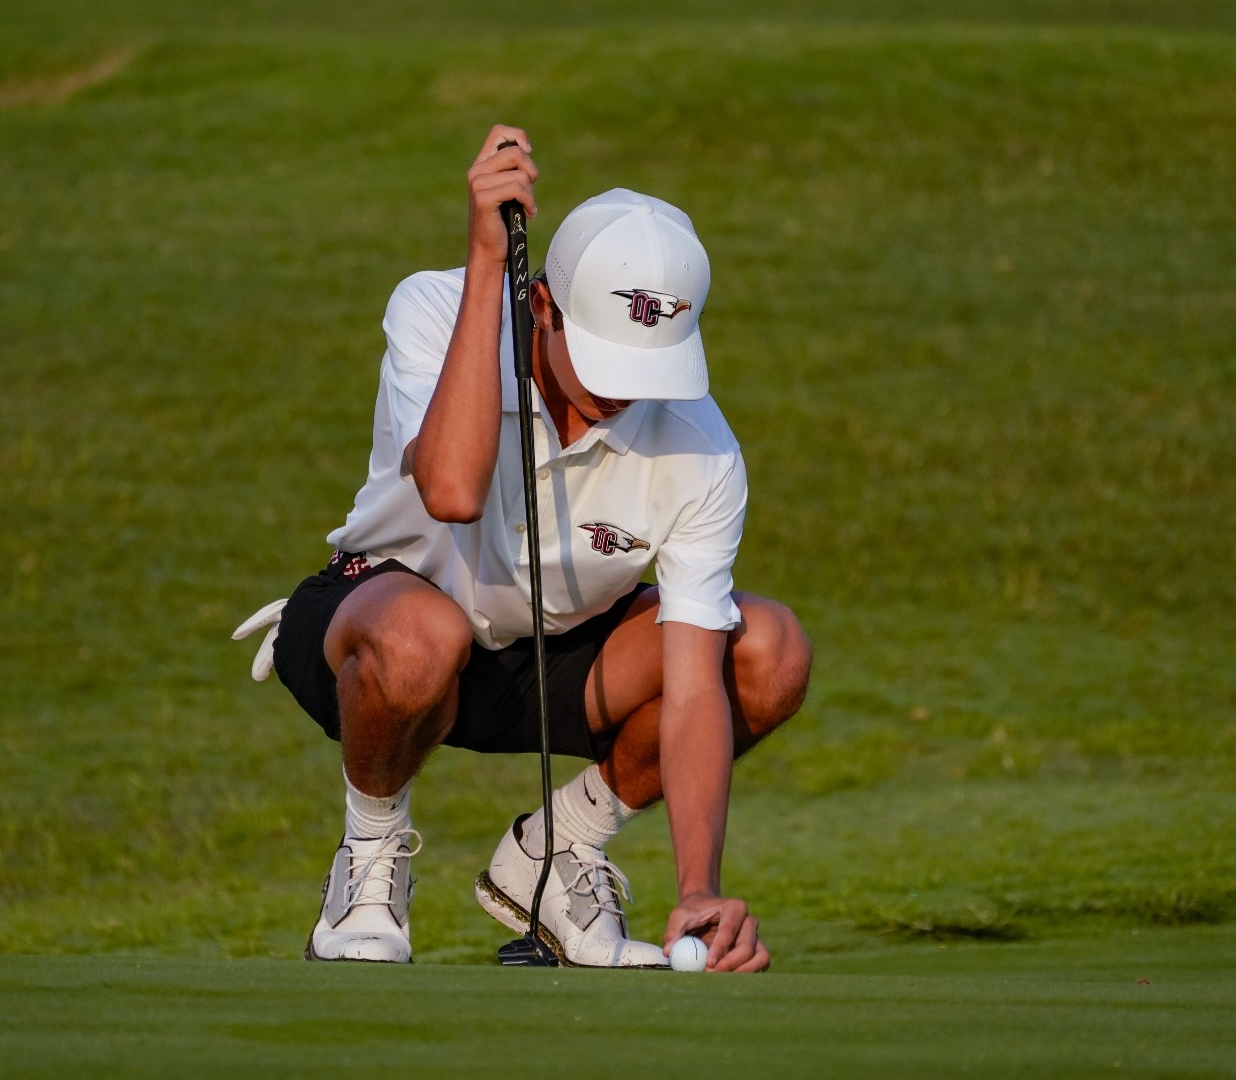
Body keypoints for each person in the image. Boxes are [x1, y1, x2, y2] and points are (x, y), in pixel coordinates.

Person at [233, 125, 810, 973]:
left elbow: (692, 689)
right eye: (606, 357)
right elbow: (453, 492)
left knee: (768, 651)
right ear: (541, 304)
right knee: (422, 635)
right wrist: (481, 263)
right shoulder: (436, 309)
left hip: (558, 654)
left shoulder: (702, 445)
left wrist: (697, 885)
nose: (625, 392)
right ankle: (369, 861)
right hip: (384, 630)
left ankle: (562, 854)